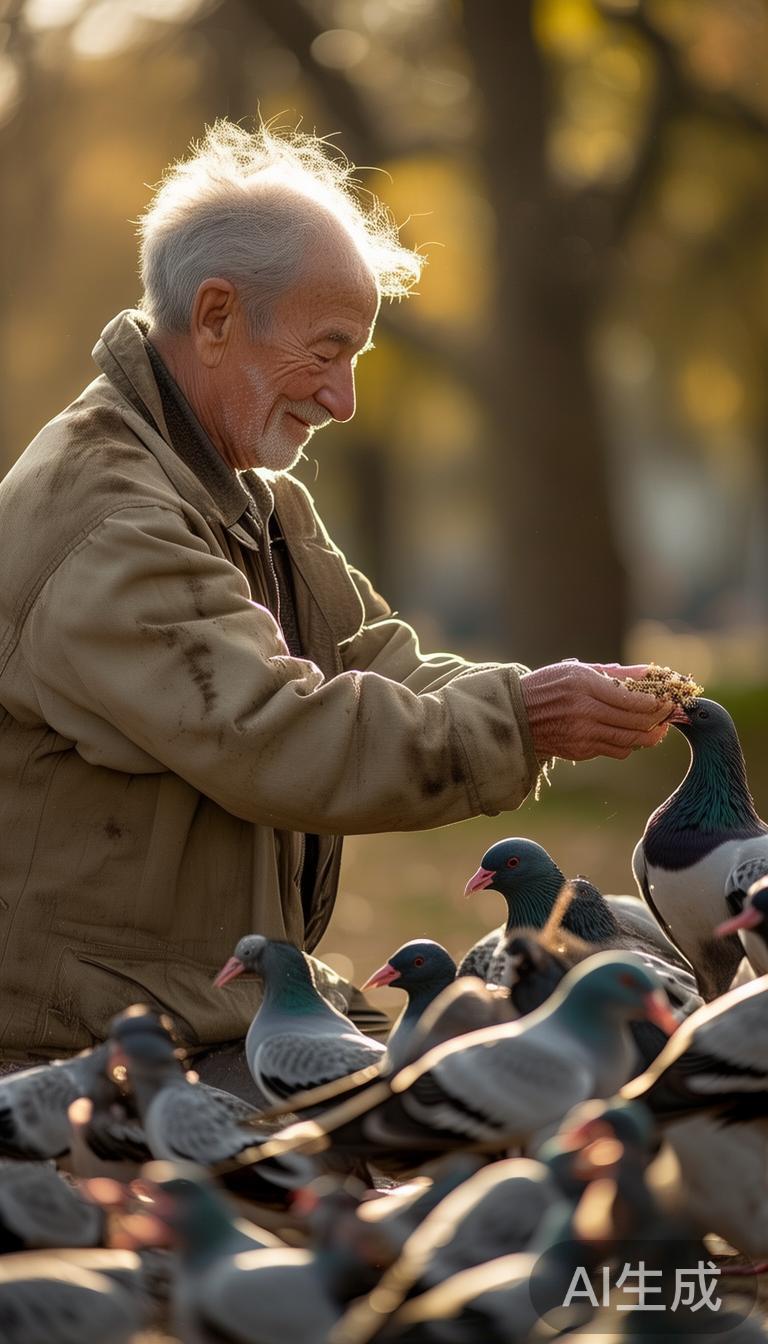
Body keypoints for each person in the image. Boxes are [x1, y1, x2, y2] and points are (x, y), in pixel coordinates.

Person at [0, 121, 673, 1064]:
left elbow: (377, 662)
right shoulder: (112, 519)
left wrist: (542, 697)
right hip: (102, 1044)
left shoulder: (253, 498)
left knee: (505, 1073)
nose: (343, 399)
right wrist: (523, 720)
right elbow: (277, 736)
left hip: (220, 1001)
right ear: (217, 316)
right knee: (482, 1109)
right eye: (327, 351)